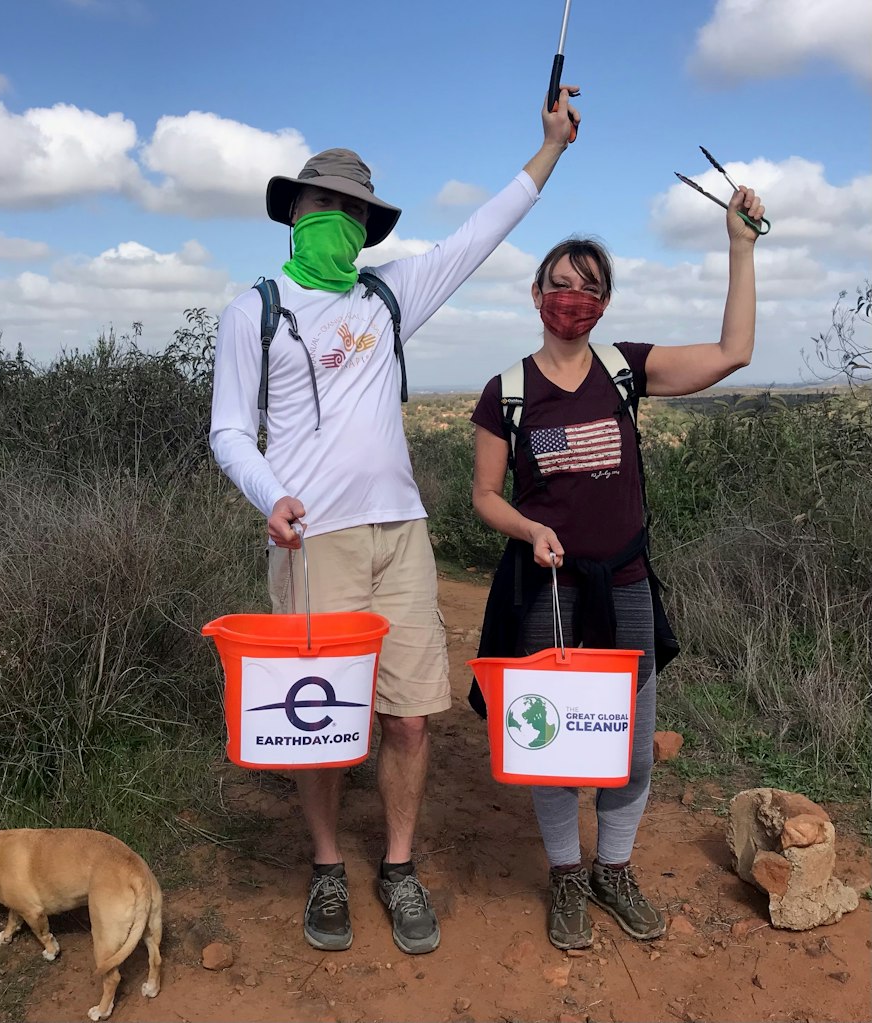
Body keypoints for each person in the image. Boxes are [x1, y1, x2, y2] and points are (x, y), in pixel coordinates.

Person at [209, 86, 582, 955]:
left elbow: (476, 234)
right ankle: (330, 865)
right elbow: (229, 427)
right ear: (293, 211)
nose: (334, 217)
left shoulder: (388, 300)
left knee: (411, 715)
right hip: (314, 544)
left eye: (351, 208)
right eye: (322, 202)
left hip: (402, 535)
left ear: (368, 225)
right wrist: (273, 497)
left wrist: (552, 149)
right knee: (322, 721)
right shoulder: (253, 309)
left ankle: (400, 866)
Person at [469, 185, 765, 950]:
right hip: (547, 594)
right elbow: (484, 497)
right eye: (560, 284)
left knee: (630, 745)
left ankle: (614, 868)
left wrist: (740, 245)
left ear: (604, 301)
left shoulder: (626, 368)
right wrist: (529, 526)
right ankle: (567, 874)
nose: (573, 297)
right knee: (556, 744)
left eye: (588, 287)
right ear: (536, 294)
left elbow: (734, 353)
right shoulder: (505, 391)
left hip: (626, 585)